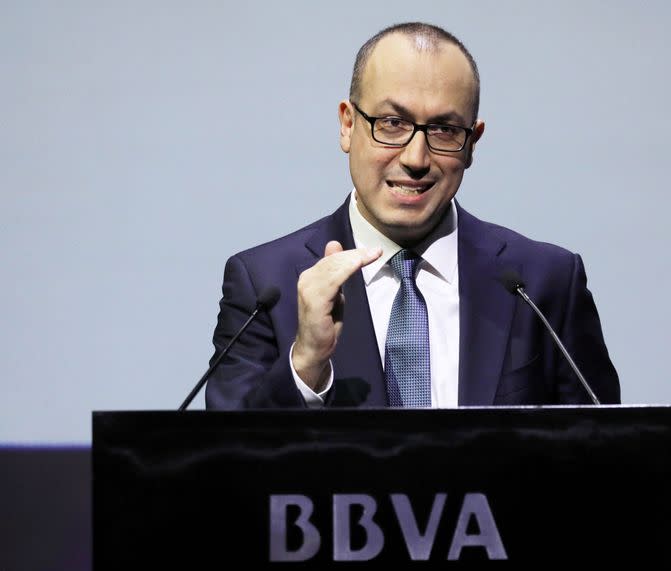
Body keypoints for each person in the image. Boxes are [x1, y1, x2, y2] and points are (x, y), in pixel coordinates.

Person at [205, 22, 620, 409]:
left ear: (472, 143)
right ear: (348, 125)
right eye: (391, 123)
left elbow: (607, 455)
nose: (416, 158)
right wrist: (307, 362)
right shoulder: (265, 285)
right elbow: (228, 466)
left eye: (444, 130)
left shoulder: (544, 284)